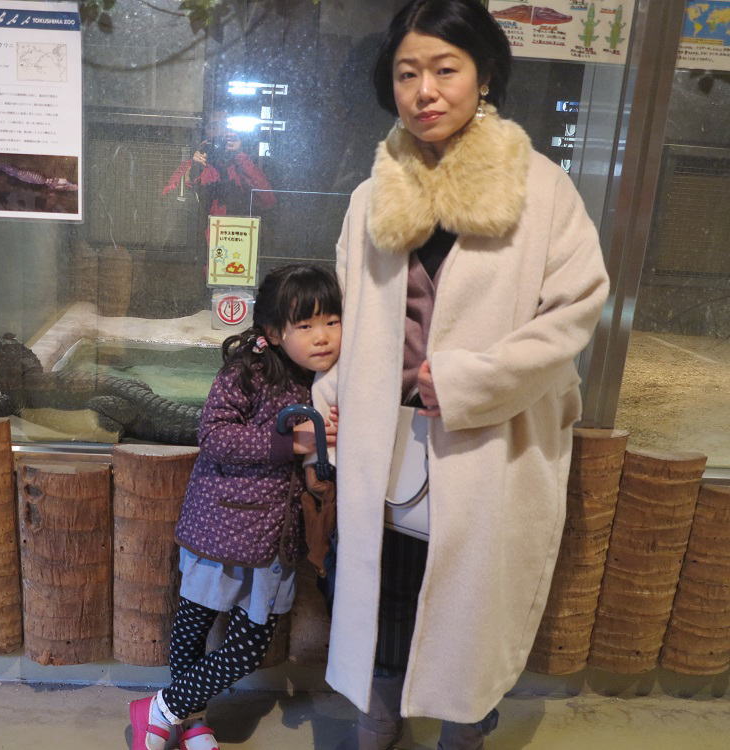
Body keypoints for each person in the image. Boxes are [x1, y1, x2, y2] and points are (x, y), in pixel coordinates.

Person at [311, 1, 611, 749]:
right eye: (407, 73)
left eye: (445, 69)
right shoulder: (371, 197)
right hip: (387, 442)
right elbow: (352, 321)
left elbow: (575, 311)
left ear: (484, 76)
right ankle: (380, 716)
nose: (425, 91)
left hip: (490, 444)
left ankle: (464, 729)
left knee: (471, 601)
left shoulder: (542, 191)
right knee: (387, 589)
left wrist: (472, 382)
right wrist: (330, 401)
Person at [129, 264, 342, 750]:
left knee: (248, 648)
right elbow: (214, 435)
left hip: (275, 542)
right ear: (273, 331)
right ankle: (190, 721)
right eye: (305, 325)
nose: (323, 336)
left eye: (332, 321)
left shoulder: (329, 381)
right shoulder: (247, 373)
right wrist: (289, 444)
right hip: (221, 527)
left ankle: (160, 709)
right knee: (192, 629)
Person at [162, 111, 276, 218]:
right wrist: (193, 172)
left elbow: (268, 201)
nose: (220, 132)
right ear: (205, 133)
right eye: (214, 127)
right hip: (200, 231)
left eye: (225, 126)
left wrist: (240, 156)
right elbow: (168, 202)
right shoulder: (193, 164)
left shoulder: (242, 166)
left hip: (236, 230)